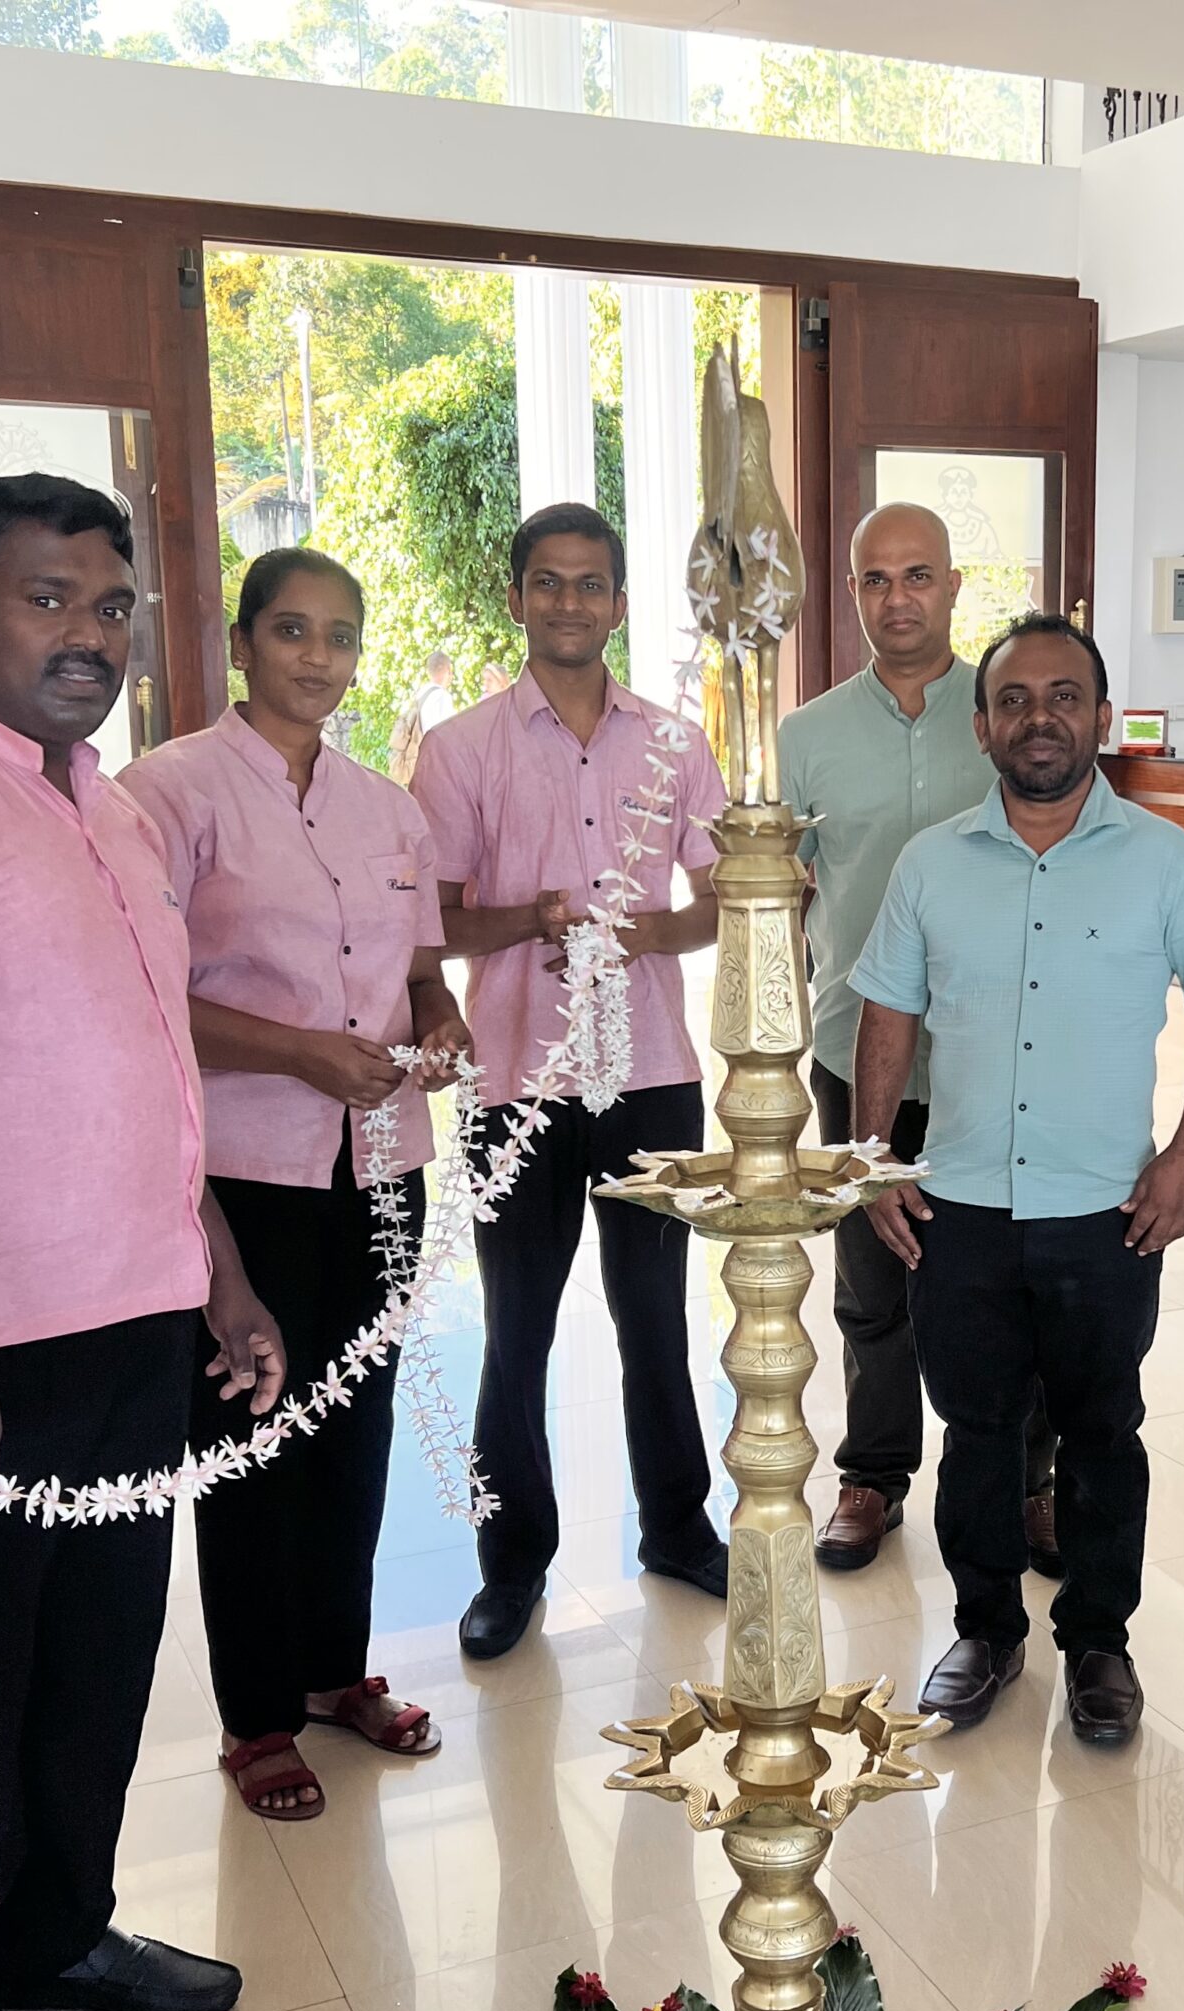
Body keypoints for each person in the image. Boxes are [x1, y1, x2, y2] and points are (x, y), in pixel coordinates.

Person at [0, 475, 286, 2011]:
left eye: (112, 606)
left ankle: (62, 1930)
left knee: (100, 1657)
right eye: (47, 599)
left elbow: (148, 1063)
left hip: (138, 1312)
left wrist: (218, 1270)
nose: (90, 635)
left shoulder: (112, 806)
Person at [851, 614, 1184, 1743]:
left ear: (1101, 717)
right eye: (1014, 699)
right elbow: (887, 1013)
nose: (1040, 718)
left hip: (1105, 1212)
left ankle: (1098, 1642)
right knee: (975, 1434)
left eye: (1063, 696)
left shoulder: (1164, 860)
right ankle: (984, 1631)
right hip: (960, 1208)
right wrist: (871, 1158)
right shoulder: (930, 862)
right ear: (981, 726)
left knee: (1101, 1435)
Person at [123, 547, 470, 1823]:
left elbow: (421, 970)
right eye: (290, 630)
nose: (317, 658)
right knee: (249, 1436)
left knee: (354, 1423)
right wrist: (297, 1052)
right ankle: (257, 1715)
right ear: (242, 642)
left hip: (380, 1164)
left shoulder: (388, 807)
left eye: (338, 635)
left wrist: (443, 1021)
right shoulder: (166, 793)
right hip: (244, 1170)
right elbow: (143, 996)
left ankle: (333, 1671)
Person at [413, 502, 730, 1660]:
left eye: (589, 583)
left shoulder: (673, 742)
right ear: (515, 599)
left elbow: (718, 900)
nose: (568, 602)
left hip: (650, 1074)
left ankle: (678, 1529)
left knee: (655, 1318)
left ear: (619, 604)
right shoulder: (460, 749)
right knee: (517, 1332)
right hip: (517, 1079)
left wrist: (645, 933)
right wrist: (530, 918)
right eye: (546, 582)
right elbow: (431, 922)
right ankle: (512, 1567)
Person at [780, 502, 1056, 1574]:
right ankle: (873, 1474)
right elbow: (784, 895)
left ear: (951, 585)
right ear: (851, 593)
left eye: (917, 575)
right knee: (870, 1283)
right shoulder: (806, 736)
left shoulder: (1007, 718)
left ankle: (1029, 1483)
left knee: (1013, 1281)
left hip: (1000, 1053)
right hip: (857, 1050)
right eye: (874, 579)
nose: (896, 598)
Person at [388, 648, 456, 788]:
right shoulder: (442, 697)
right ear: (447, 670)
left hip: (414, 765)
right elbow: (443, 739)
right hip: (430, 770)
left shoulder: (420, 695)